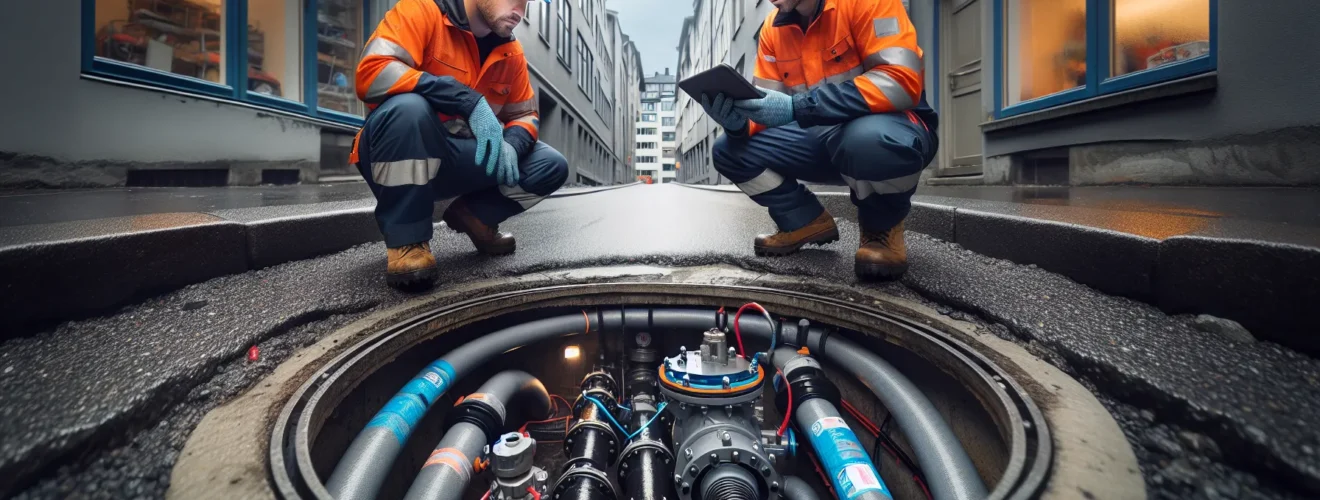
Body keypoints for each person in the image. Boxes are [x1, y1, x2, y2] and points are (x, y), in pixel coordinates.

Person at [701, 0, 938, 280]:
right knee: (729, 150)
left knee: (867, 140)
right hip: (823, 137)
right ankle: (803, 220)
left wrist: (799, 106)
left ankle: (881, 228)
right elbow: (765, 108)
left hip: (890, 133)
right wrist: (739, 124)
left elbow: (900, 81)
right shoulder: (772, 29)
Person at [351, 0, 566, 289]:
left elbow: (525, 114)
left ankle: (475, 217)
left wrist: (513, 144)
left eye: (527, 3)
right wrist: (465, 100)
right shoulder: (422, 10)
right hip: (399, 152)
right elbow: (372, 72)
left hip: (457, 156)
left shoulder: (510, 52)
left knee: (550, 164)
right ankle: (407, 241)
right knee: (409, 108)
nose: (520, 11)